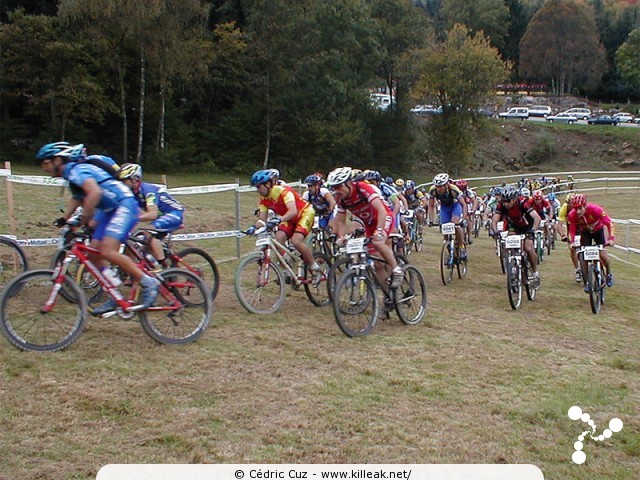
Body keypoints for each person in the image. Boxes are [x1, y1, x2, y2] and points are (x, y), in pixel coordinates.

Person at [36, 141, 159, 314]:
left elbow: (95, 193)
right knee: (93, 253)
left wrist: (85, 218)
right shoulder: (72, 177)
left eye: (45, 163)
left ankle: (149, 282)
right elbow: (78, 198)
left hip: (124, 205)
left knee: (108, 251)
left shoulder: (76, 170)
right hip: (109, 209)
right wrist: (65, 219)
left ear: (57, 160)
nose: (43, 167)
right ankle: (115, 295)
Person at [325, 166, 404, 289]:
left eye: (339, 186)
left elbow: (381, 210)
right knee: (377, 264)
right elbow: (340, 222)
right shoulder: (341, 199)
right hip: (368, 223)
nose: (336, 190)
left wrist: (379, 230)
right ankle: (387, 297)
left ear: (348, 183)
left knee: (378, 242)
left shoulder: (363, 188)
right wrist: (342, 237)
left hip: (384, 217)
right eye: (334, 187)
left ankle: (396, 270)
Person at [247, 169, 321, 280]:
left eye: (258, 187)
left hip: (304, 213)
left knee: (296, 241)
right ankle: (287, 267)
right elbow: (262, 220)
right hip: (289, 218)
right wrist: (253, 227)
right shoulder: (263, 199)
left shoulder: (283, 191)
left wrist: (279, 219)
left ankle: (313, 265)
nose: (257, 190)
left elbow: (293, 211)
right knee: (278, 239)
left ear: (267, 184)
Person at [119, 163, 185, 268]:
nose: (122, 184)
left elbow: (152, 214)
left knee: (148, 232)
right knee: (133, 239)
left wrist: (134, 218)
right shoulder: (133, 193)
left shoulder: (148, 191)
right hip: (161, 217)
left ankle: (163, 267)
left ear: (134, 179)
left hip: (174, 213)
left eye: (124, 181)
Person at [490, 185, 541, 284]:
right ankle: (513, 264)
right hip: (514, 226)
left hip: (528, 226)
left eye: (508, 201)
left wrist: (533, 230)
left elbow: (537, 218)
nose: (505, 204)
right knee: (509, 243)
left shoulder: (522, 202)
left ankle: (535, 273)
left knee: (528, 248)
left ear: (514, 199)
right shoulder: (502, 205)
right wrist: (495, 231)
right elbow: (494, 219)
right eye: (504, 201)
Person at [566, 194, 615, 290]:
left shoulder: (595, 209)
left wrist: (611, 239)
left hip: (598, 231)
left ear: (585, 205)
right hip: (585, 233)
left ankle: (608, 273)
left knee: (602, 255)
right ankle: (587, 282)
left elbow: (609, 223)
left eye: (580, 208)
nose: (578, 211)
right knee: (582, 256)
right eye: (575, 209)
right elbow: (571, 230)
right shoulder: (572, 215)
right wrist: (571, 242)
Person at [428, 173, 468, 259]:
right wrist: (431, 219)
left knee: (456, 225)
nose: (438, 189)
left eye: (440, 186)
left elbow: (464, 205)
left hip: (455, 206)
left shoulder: (454, 189)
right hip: (444, 207)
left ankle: (461, 247)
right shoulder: (433, 190)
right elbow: (431, 205)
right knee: (445, 228)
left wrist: (463, 219)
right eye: (437, 186)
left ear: (446, 185)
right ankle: (448, 247)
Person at [557, 192, 581, 282]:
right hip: (571, 228)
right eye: (570, 203)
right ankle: (577, 270)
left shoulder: (580, 207)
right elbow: (559, 224)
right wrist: (563, 235)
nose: (572, 205)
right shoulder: (564, 208)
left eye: (573, 202)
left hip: (583, 227)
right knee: (572, 248)